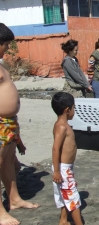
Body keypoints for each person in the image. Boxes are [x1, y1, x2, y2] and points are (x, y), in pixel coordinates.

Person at [0, 22, 39, 225]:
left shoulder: (0, 65)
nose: (7, 49)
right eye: (5, 44)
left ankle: (14, 200)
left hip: (9, 124)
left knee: (7, 163)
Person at [51, 92, 83, 225]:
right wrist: (57, 171)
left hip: (66, 167)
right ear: (67, 110)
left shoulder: (63, 124)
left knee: (66, 194)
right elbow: (55, 148)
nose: (74, 111)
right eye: (74, 108)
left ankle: (63, 220)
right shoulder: (61, 126)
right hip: (63, 169)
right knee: (73, 198)